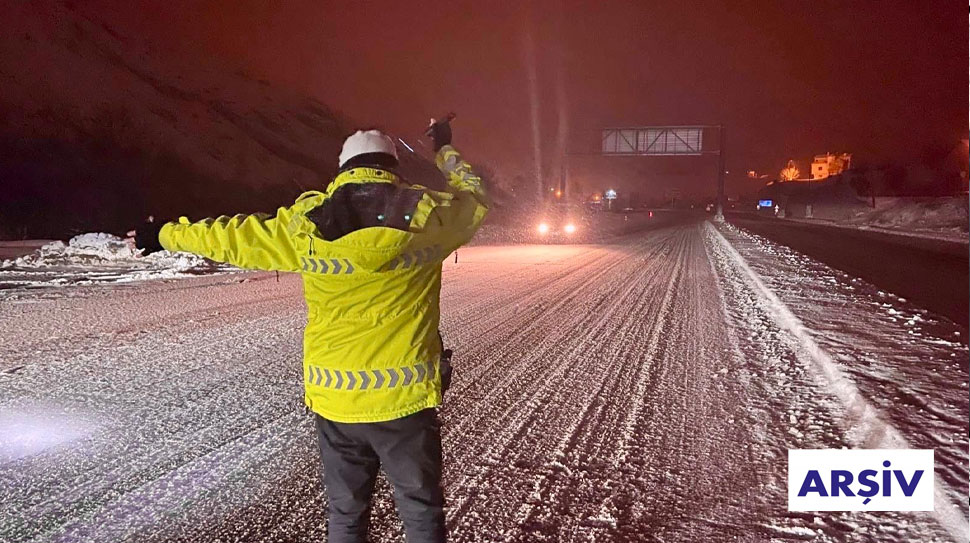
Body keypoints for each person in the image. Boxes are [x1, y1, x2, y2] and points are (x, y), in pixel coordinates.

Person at [133, 119, 488, 543]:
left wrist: (165, 233)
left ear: (343, 169)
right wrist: (444, 150)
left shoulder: (306, 225)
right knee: (420, 510)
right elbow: (476, 194)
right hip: (405, 401)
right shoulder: (433, 215)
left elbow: (229, 237)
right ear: (392, 168)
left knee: (345, 513)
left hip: (335, 398)